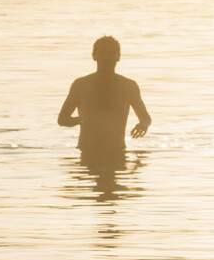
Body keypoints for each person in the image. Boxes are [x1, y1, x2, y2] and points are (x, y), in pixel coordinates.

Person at [58, 35, 150, 168]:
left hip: (117, 152)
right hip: (87, 152)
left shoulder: (128, 86)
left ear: (118, 57)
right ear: (94, 56)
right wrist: (83, 119)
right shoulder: (81, 85)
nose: (107, 57)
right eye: (103, 53)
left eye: (111, 53)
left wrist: (143, 125)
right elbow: (62, 119)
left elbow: (145, 118)